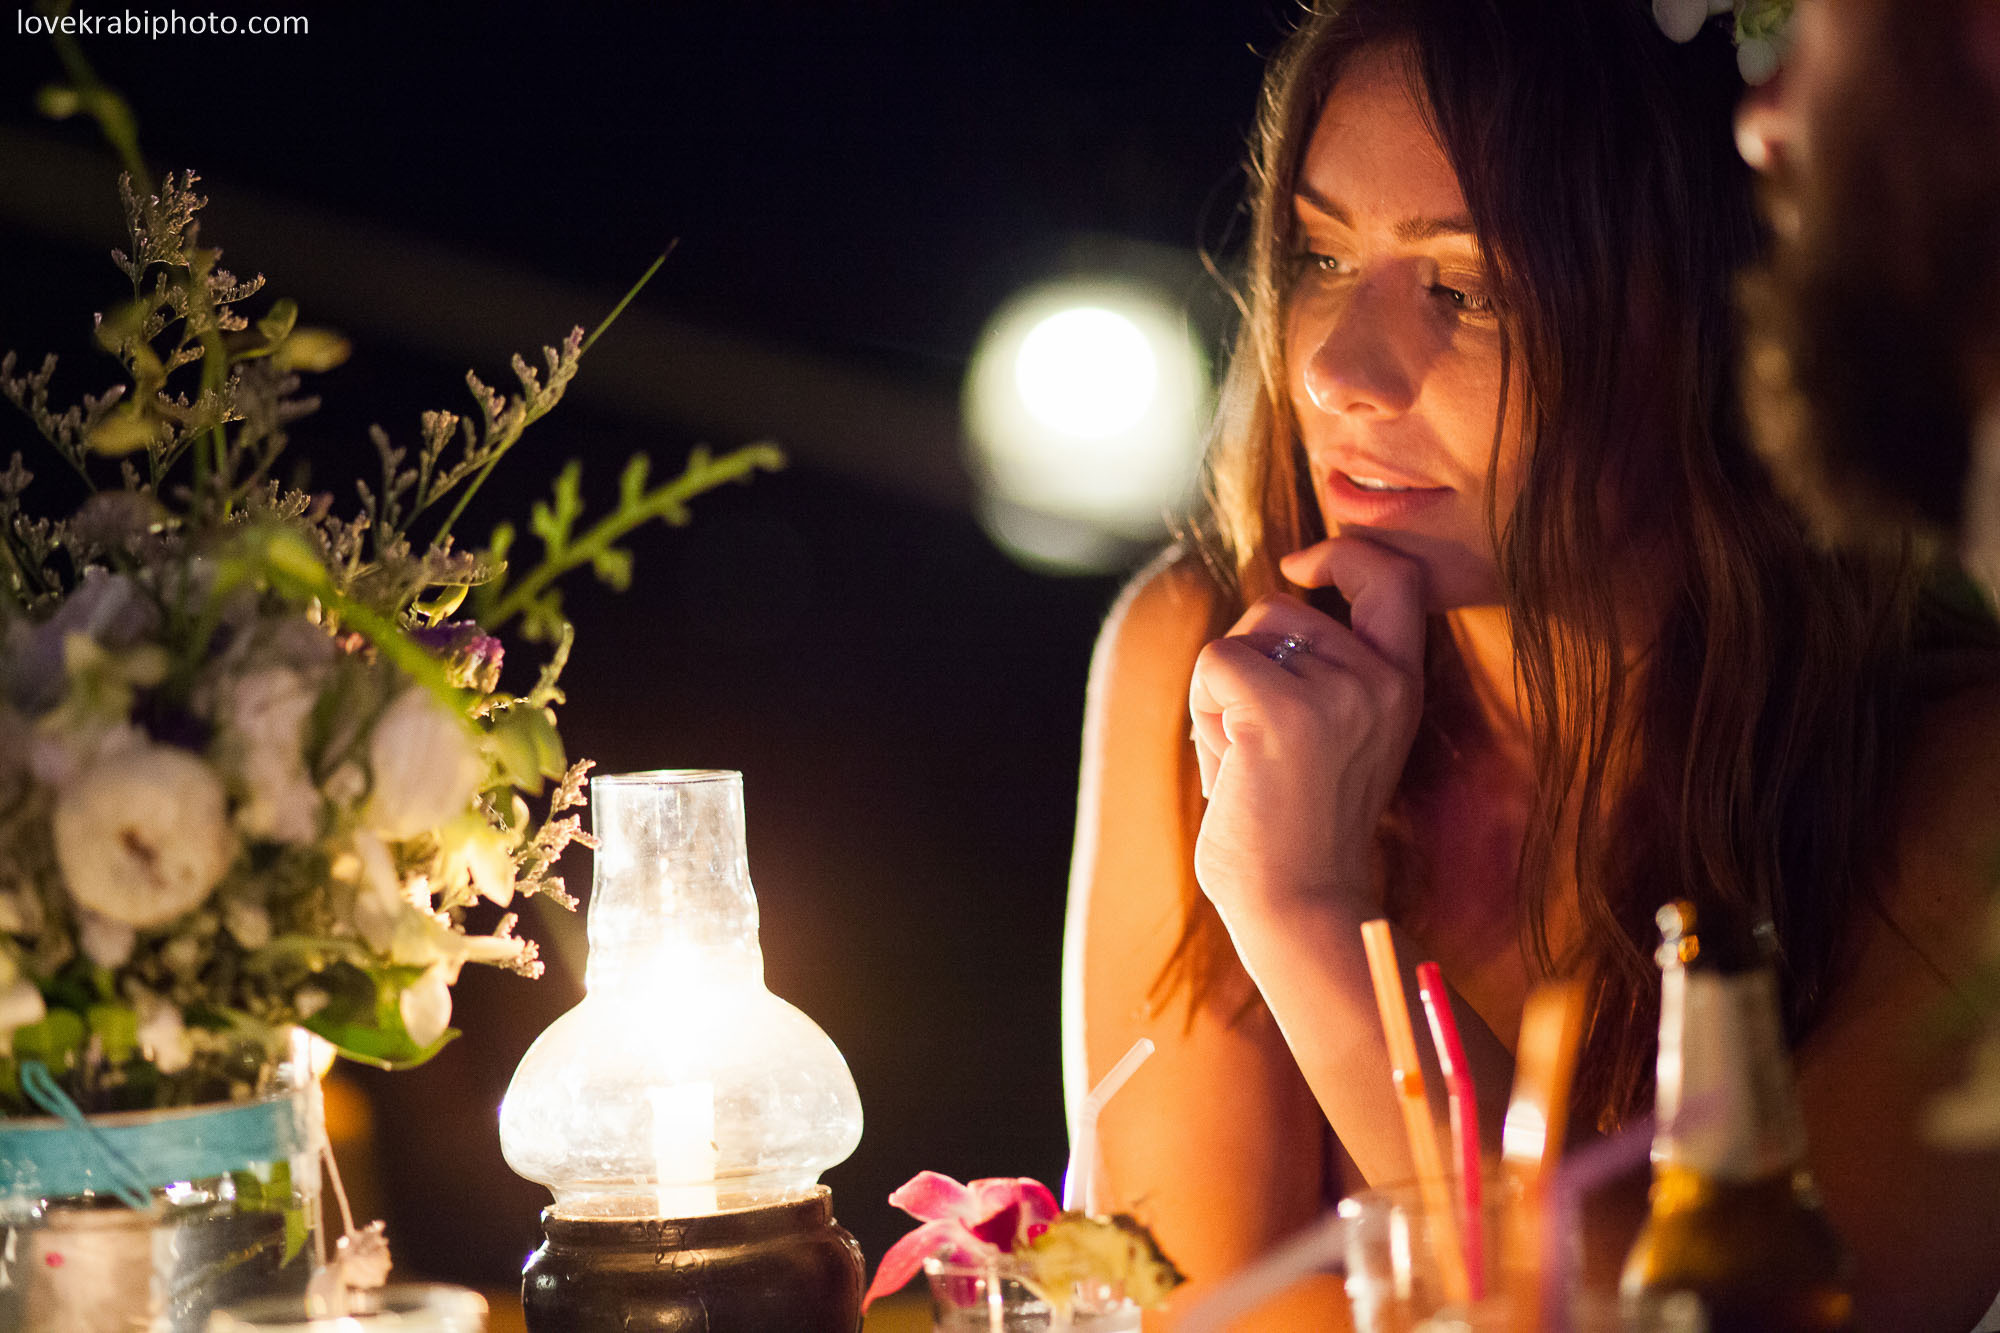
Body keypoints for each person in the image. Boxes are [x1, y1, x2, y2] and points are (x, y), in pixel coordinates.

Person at [1061, 1, 2000, 1328]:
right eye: (1321, 256)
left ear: (1717, 320)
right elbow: (1192, 1308)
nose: (1337, 370)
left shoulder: (1958, 785)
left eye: (1467, 289)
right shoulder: (1215, 668)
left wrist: (1319, 925)